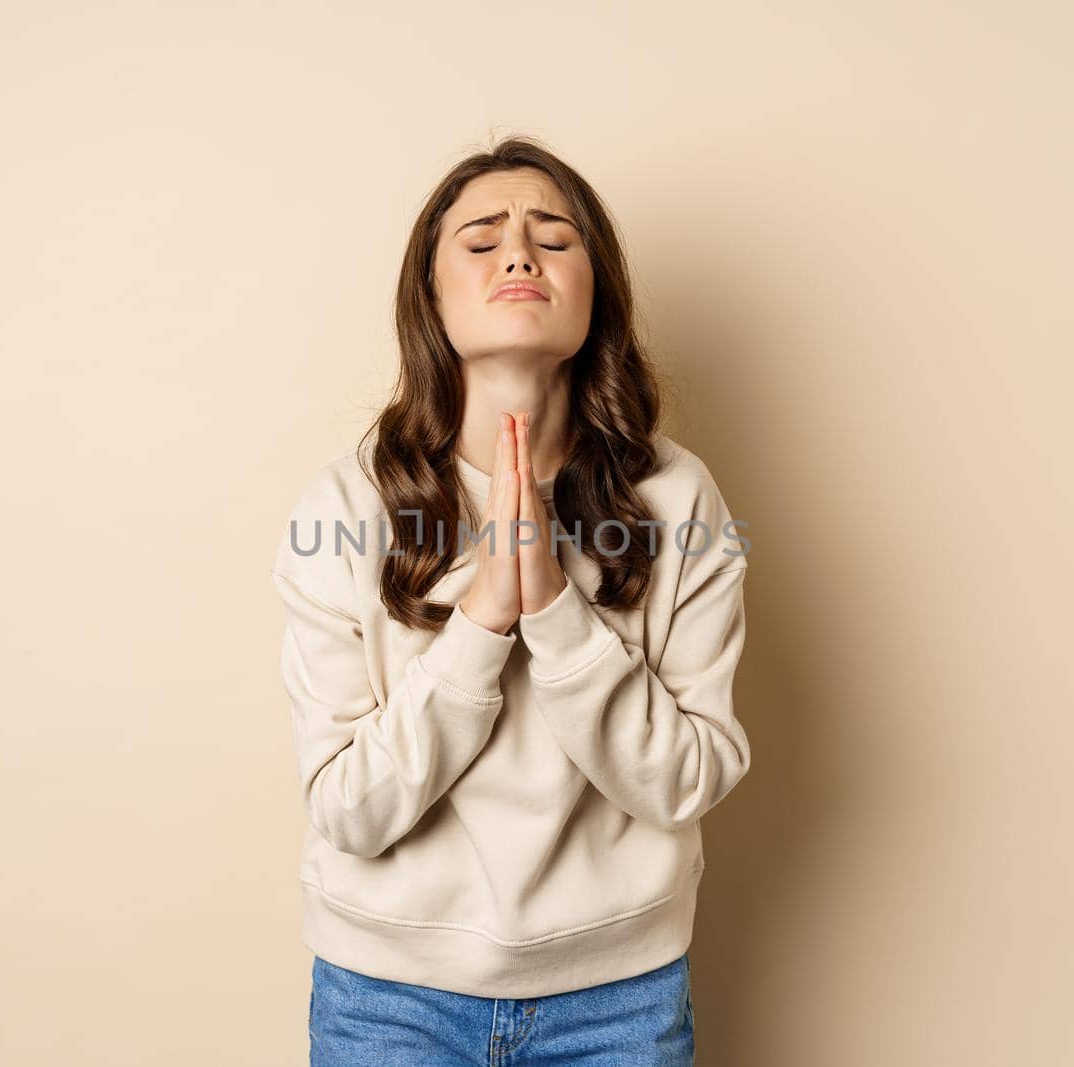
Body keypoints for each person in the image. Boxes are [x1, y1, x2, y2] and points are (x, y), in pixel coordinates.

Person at [271, 135, 751, 1065]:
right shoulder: (344, 508)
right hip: (387, 1000)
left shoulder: (679, 499)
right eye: (482, 240)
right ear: (431, 295)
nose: (520, 254)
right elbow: (348, 809)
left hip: (620, 997)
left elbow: (689, 776)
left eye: (554, 237)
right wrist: (483, 622)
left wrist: (559, 615)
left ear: (596, 289)